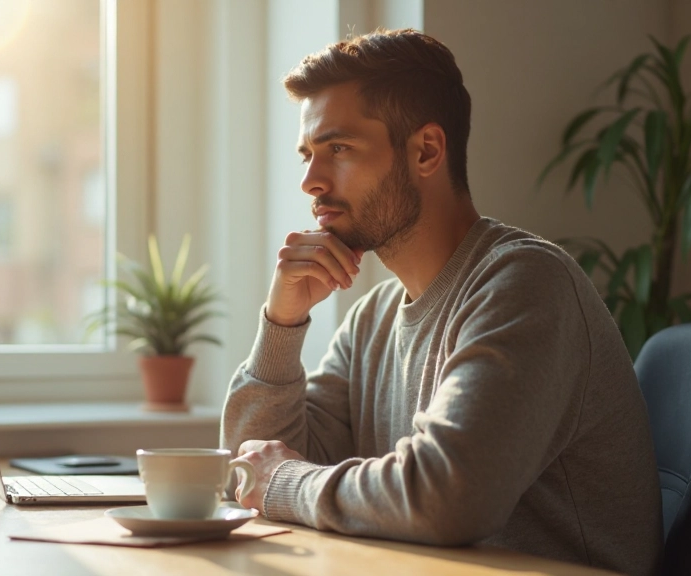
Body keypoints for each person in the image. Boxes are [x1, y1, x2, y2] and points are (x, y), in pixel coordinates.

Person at [220, 28, 663, 576]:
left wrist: (284, 483)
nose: (310, 180)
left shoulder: (524, 282)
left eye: (338, 148)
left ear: (426, 150)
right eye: (308, 154)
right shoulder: (372, 320)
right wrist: (282, 324)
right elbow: (252, 470)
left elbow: (448, 496)